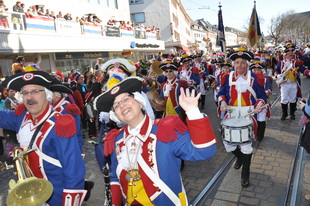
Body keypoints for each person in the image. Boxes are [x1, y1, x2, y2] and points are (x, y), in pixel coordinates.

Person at [94, 76, 217, 205]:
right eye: (116, 105)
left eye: (126, 99)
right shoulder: (116, 139)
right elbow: (115, 176)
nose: (122, 105)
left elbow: (205, 151)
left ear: (140, 102)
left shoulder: (166, 130)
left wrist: (193, 112)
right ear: (115, 115)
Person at [1, 71, 87, 205]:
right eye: (25, 93)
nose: (30, 97)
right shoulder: (20, 117)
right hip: (29, 196)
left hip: (55, 198)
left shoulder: (60, 124)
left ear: (47, 95)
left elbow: (74, 171)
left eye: (35, 91)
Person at [217, 46, 267, 187]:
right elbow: (221, 93)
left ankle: (245, 174)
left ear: (247, 64)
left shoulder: (255, 78)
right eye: (237, 62)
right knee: (228, 144)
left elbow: (262, 95)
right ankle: (240, 158)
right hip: (231, 113)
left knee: (246, 145)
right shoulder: (227, 77)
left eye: (243, 62)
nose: (239, 65)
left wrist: (258, 105)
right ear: (234, 64)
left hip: (248, 114)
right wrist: (222, 102)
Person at [275, 42, 306, 120]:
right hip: (284, 84)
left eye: (291, 53)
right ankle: (284, 114)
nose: (290, 54)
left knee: (293, 98)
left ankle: (292, 114)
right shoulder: (281, 63)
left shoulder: (296, 62)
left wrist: (308, 72)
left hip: (293, 83)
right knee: (284, 98)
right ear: (285, 54)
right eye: (288, 53)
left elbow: (303, 70)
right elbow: (276, 71)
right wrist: (277, 75)